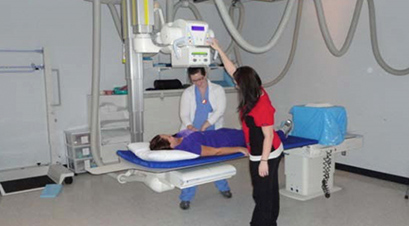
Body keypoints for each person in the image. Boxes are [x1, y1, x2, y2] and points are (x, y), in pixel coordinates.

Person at [210, 39, 284, 226]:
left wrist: (263, 161)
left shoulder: (262, 106)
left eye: (237, 84)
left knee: (261, 193)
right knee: (268, 190)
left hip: (267, 152)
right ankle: (271, 222)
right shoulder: (254, 90)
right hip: (261, 150)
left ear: (245, 85)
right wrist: (218, 48)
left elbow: (267, 136)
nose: (235, 86)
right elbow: (231, 69)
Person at [177, 67, 230, 210]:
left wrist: (207, 124)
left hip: (213, 130)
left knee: (215, 161)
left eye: (200, 79)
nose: (198, 83)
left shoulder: (217, 89)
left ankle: (223, 187)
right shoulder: (187, 93)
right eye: (194, 80)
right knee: (192, 165)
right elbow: (184, 114)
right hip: (192, 133)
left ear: (205, 75)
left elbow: (220, 110)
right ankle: (186, 197)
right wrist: (189, 126)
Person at [149, 128, 248, 157]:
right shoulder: (187, 146)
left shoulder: (178, 137)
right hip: (230, 141)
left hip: (224, 132)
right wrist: (239, 148)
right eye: (168, 138)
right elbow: (215, 151)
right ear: (169, 146)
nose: (170, 135)